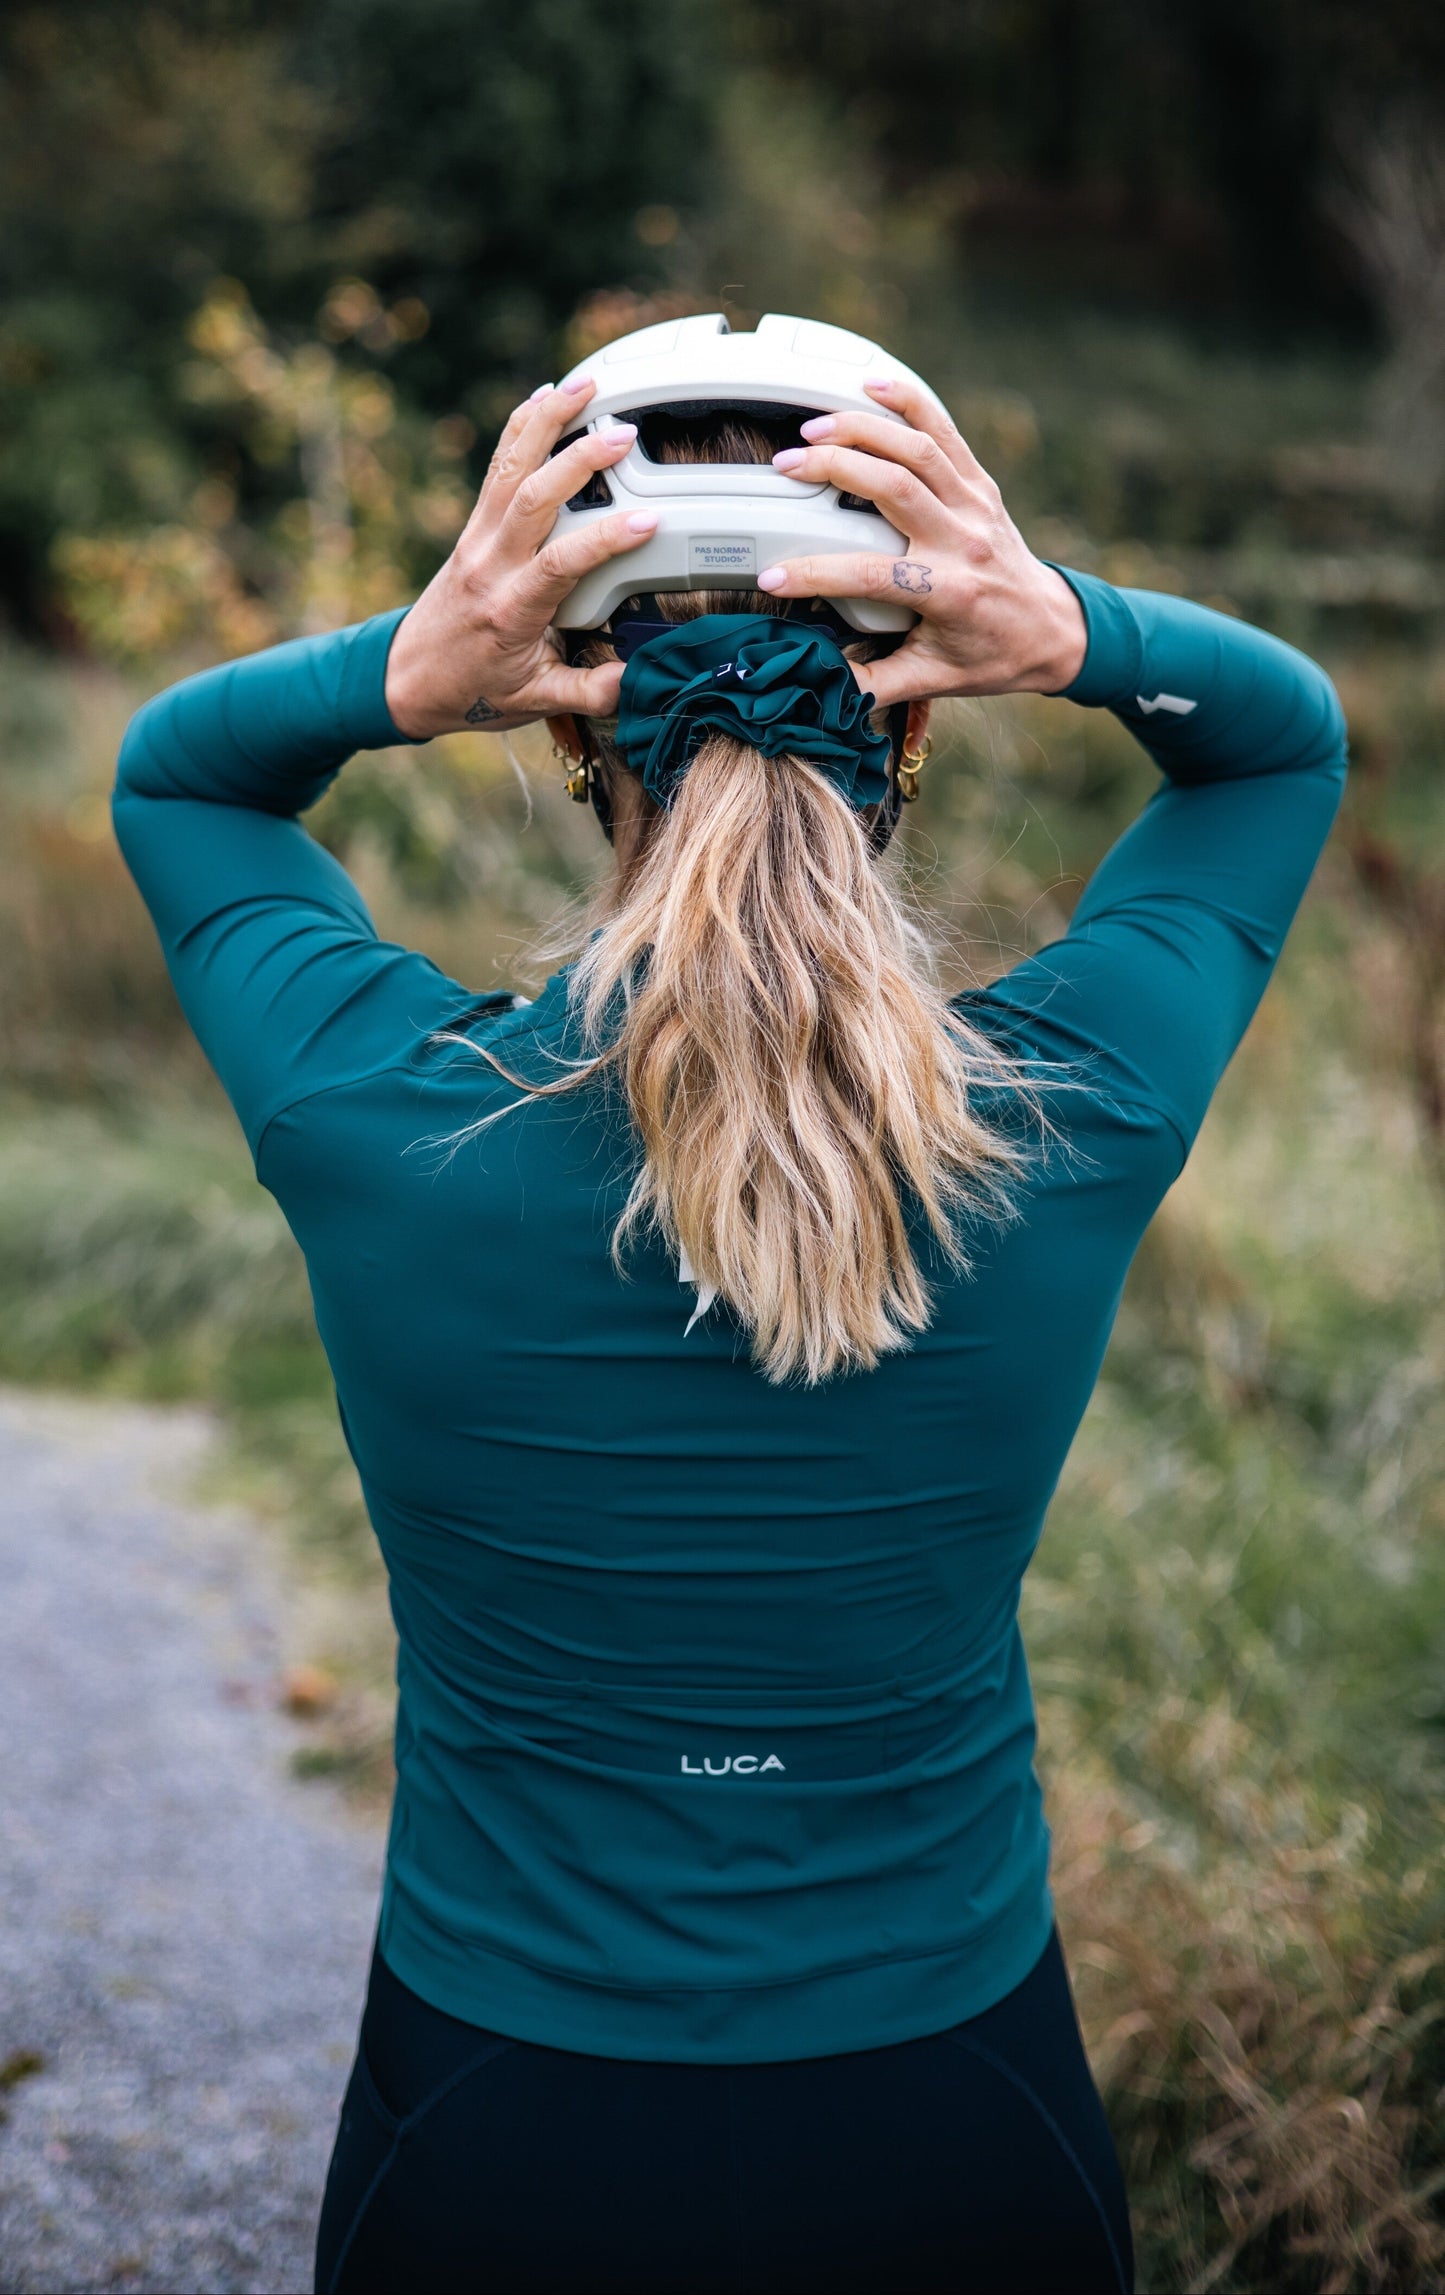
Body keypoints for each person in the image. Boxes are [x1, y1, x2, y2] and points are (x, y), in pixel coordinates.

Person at [113, 315, 1347, 2295]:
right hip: (963, 2124)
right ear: (920, 717)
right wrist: (1075, 625)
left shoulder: (376, 1117)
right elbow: (1282, 737)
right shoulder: (1071, 1115)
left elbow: (182, 781)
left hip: (501, 2129)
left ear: (562, 719)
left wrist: (401, 671)